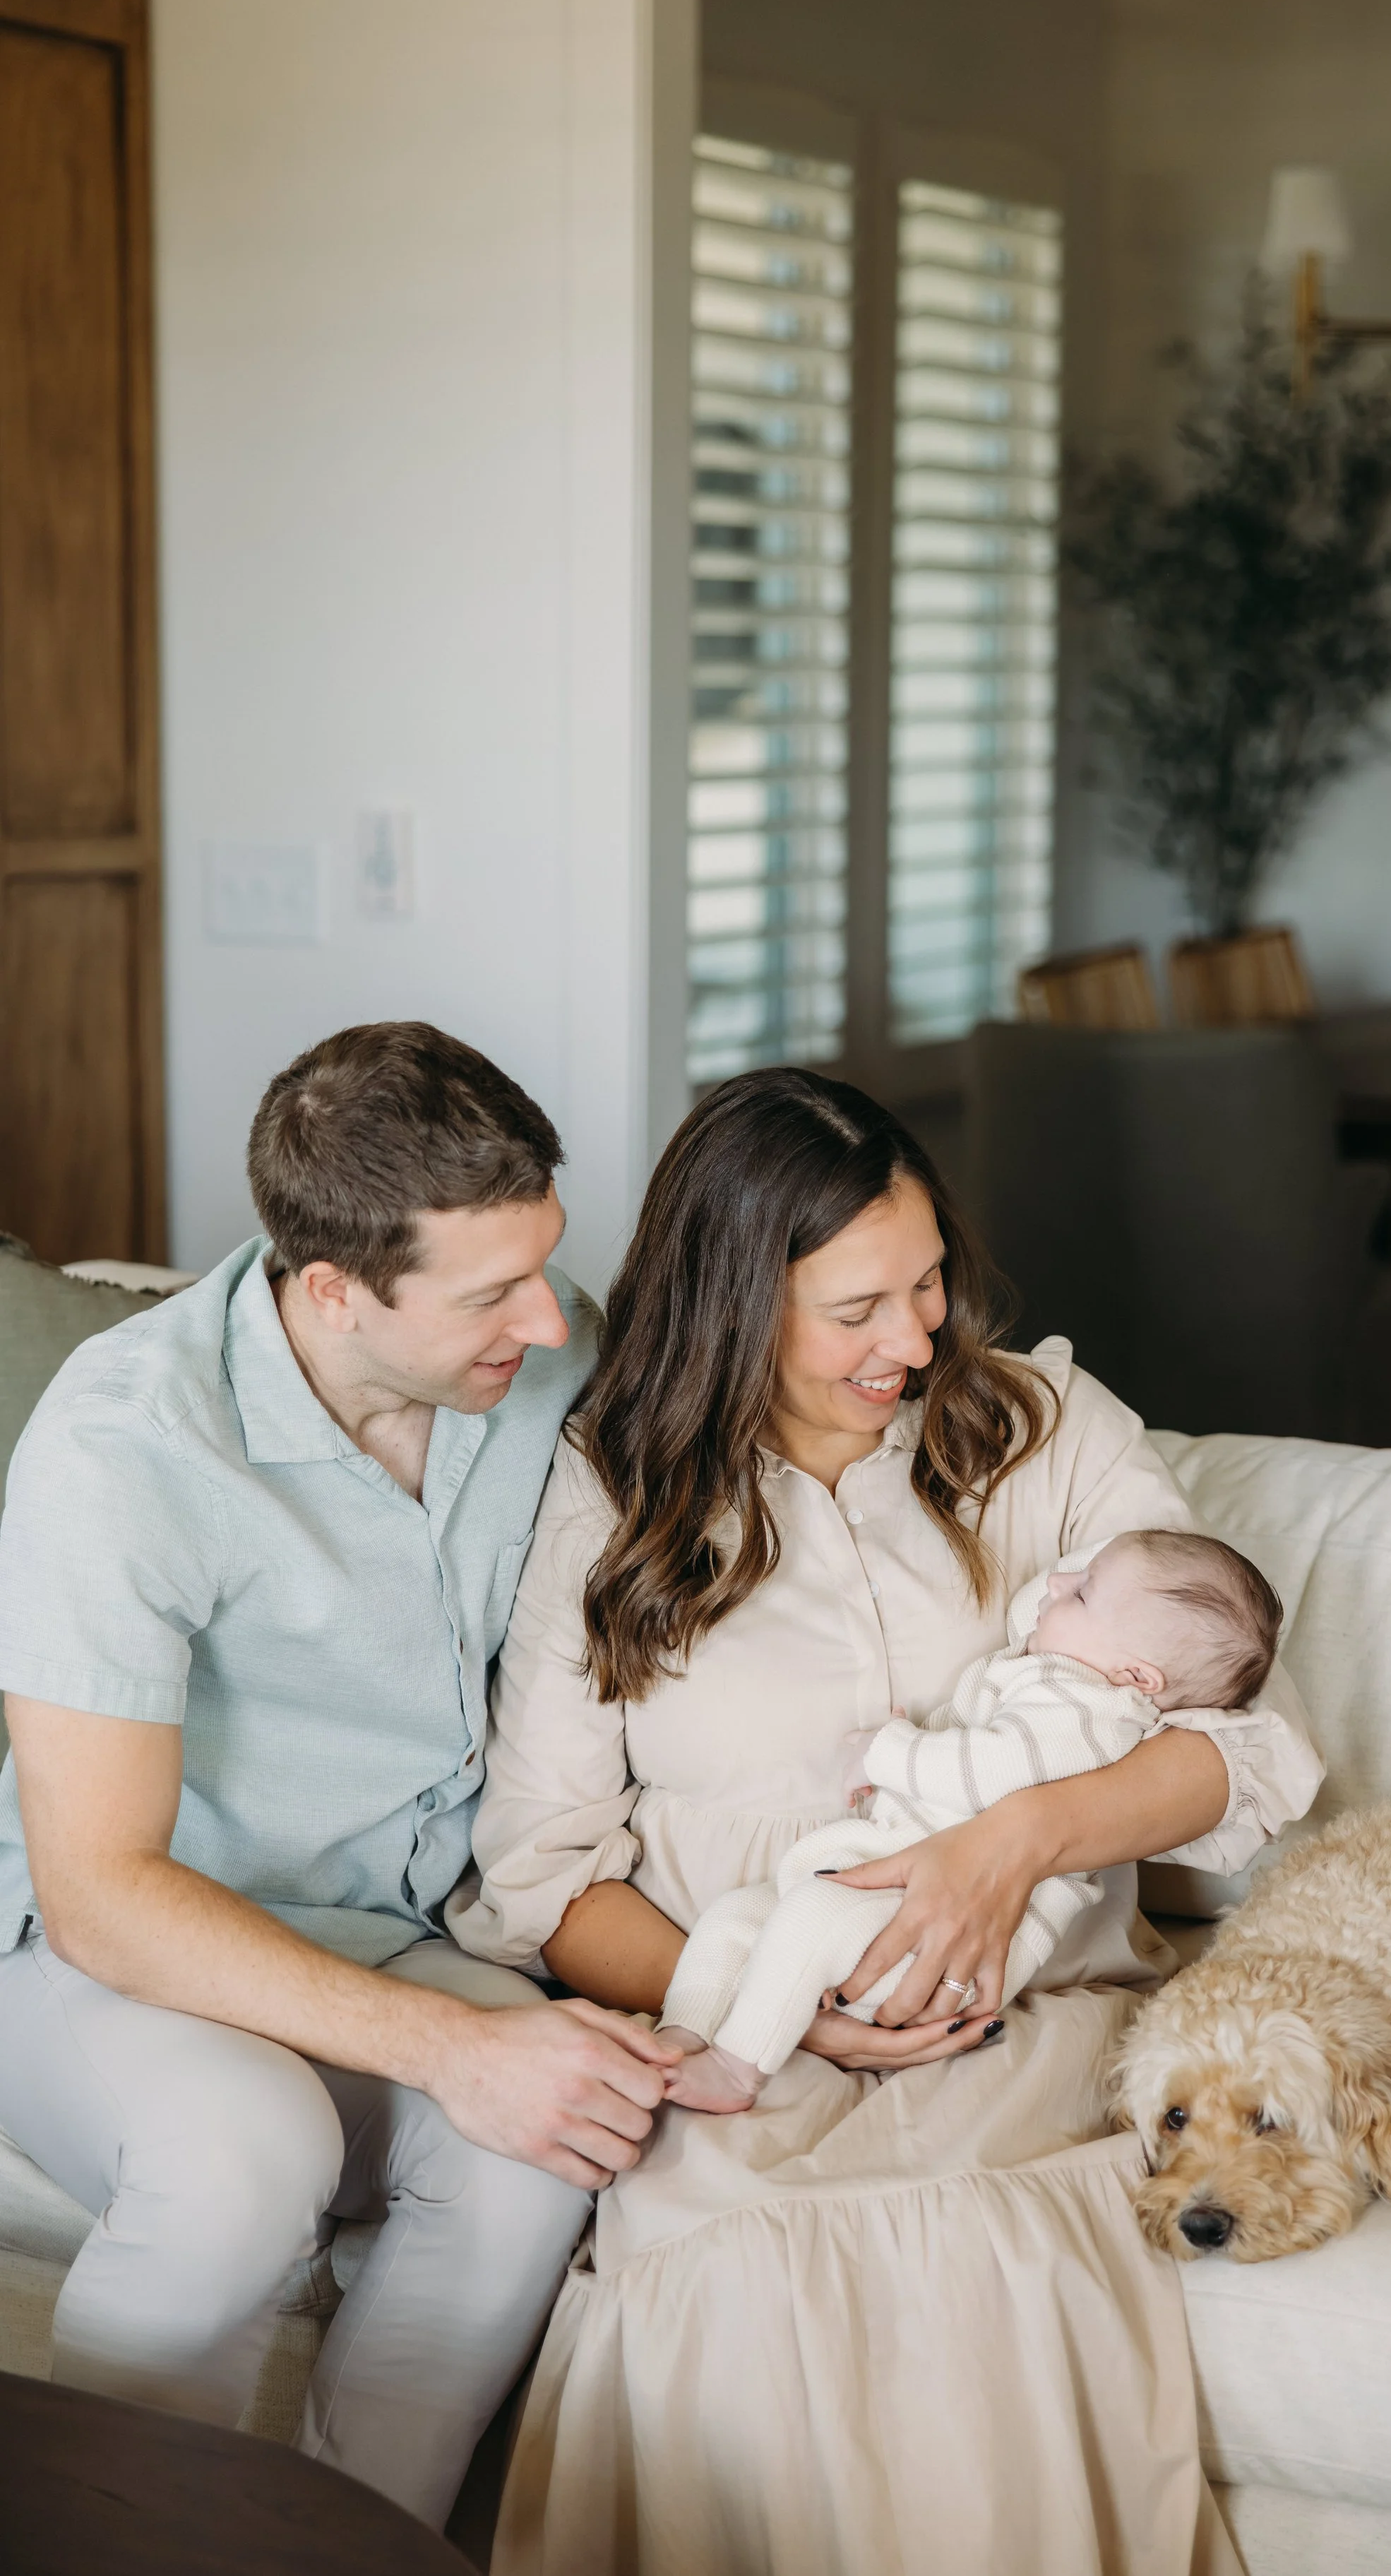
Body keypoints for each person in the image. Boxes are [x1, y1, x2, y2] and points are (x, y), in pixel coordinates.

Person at [450, 1065, 1324, 2576]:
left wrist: (1014, 1843)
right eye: (856, 1308)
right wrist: (751, 2000)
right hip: (737, 2022)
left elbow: (1251, 1746)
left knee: (971, 2269)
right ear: (732, 1301)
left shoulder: (1038, 1430)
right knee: (718, 2288)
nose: (913, 1337)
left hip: (1024, 2016)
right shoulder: (613, 1495)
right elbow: (540, 1869)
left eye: (926, 1284)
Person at [0, 1022, 672, 2532]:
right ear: (330, 1290)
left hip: (402, 1932)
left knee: (546, 2143)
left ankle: (357, 2547)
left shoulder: (538, 1361)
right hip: (114, 1960)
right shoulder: (125, 1446)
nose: (550, 1324)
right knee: (246, 2150)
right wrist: (451, 2045)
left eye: (542, 1267)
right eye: (491, 1291)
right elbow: (102, 1894)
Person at [656, 1529, 1286, 2111]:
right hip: (895, 1891)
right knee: (737, 1917)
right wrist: (1078, 1600)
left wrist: (885, 1751)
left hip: (938, 1940)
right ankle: (683, 2031)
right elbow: (1045, 1611)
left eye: (1084, 1593)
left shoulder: (1089, 1714)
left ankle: (739, 2070)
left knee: (804, 1920)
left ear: (1136, 1674)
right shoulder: (1065, 1669)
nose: (1056, 1584)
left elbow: (993, 1773)